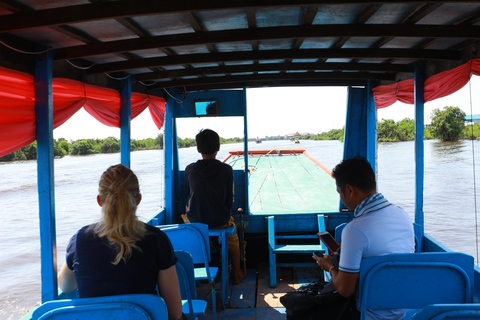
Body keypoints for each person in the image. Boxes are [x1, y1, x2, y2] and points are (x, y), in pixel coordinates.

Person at [58, 164, 184, 320]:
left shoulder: (79, 239)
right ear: (138, 199)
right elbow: (174, 313)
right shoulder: (156, 239)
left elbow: (65, 286)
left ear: (99, 200)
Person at [313, 157, 415, 320]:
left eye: (340, 193)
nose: (342, 198)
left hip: (366, 314)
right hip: (400, 312)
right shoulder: (402, 214)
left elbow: (345, 290)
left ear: (350, 190)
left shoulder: (355, 230)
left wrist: (329, 267)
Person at [183, 128, 246, 284]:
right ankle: (237, 273)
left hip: (195, 221)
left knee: (186, 219)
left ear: (198, 149)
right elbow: (229, 200)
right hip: (220, 221)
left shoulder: (190, 169)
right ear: (218, 147)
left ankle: (196, 270)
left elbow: (189, 191)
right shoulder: (226, 170)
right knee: (233, 238)